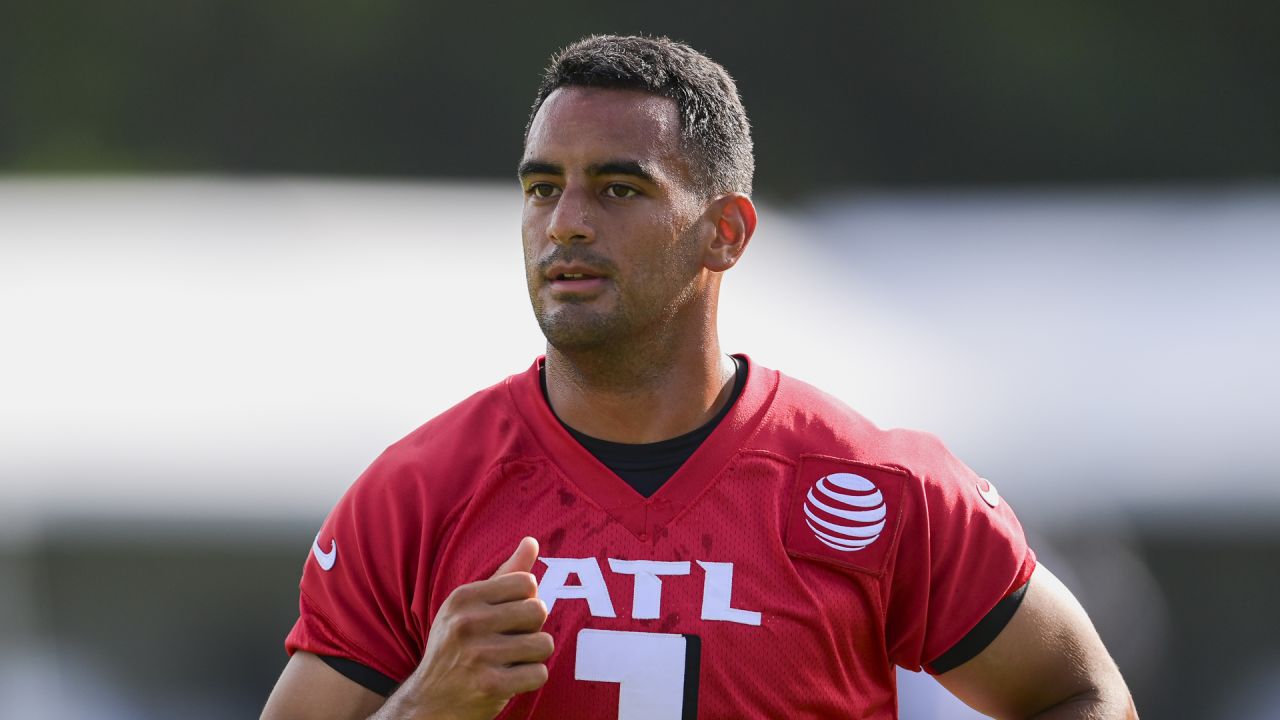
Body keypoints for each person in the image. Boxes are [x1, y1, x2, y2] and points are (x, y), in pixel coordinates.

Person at [261, 34, 1137, 720]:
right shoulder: (419, 495)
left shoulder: (874, 487)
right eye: (541, 188)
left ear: (727, 231)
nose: (564, 223)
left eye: (617, 189)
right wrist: (423, 705)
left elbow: (1084, 696)